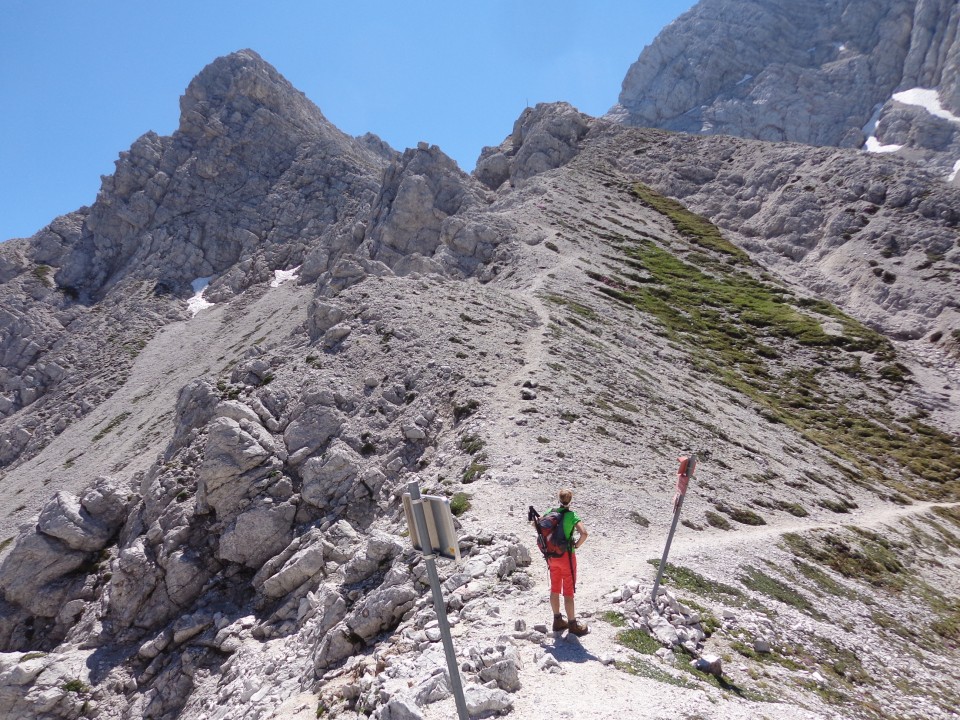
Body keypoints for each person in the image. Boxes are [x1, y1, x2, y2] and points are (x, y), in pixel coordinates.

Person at [545, 488, 589, 636]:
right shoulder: (572, 515)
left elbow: (536, 525)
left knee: (555, 588)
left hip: (551, 556)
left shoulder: (550, 512)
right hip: (567, 557)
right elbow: (584, 533)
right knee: (568, 591)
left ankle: (557, 620)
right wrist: (576, 545)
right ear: (571, 501)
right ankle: (572, 624)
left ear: (558, 499)